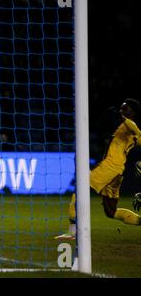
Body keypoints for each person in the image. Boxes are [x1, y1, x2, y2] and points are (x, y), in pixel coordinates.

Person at [56, 98, 141, 240]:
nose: (121, 110)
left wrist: (122, 117)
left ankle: (72, 232)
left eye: (125, 109)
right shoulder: (124, 128)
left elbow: (136, 130)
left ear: (133, 112)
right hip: (117, 171)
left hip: (109, 168)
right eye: (121, 108)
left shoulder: (130, 125)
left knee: (80, 189)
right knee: (111, 211)